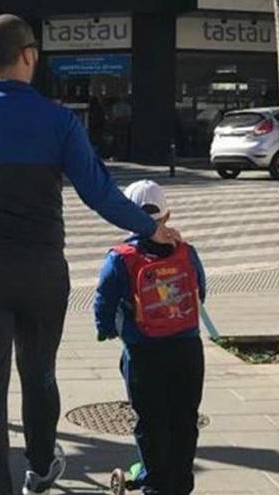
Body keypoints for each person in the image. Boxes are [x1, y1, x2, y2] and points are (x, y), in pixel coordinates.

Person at [0, 15, 182, 495]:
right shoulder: (59, 121)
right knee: (39, 373)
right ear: (30, 56)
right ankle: (41, 466)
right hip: (42, 273)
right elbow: (100, 193)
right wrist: (152, 228)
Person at [95, 180, 206, 495]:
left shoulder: (121, 258)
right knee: (185, 416)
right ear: (167, 216)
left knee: (151, 419)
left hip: (144, 350)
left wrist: (105, 329)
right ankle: (181, 482)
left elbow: (104, 301)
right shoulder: (187, 252)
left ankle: (155, 482)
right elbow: (201, 291)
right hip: (187, 348)